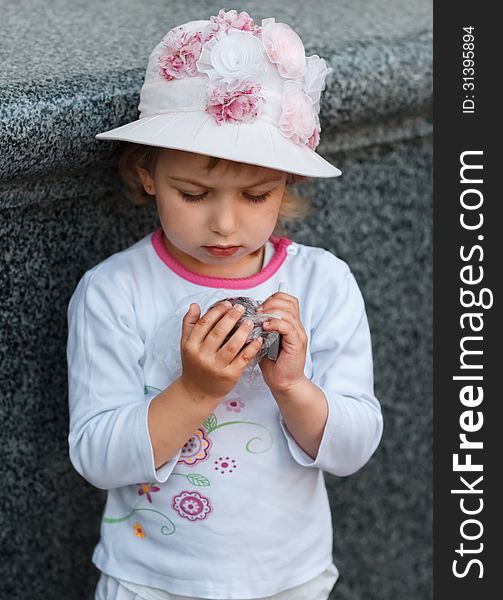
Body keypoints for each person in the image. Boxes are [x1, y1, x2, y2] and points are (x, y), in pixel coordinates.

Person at [67, 8, 383, 600]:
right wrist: (195, 392)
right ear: (149, 172)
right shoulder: (115, 291)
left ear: (288, 183)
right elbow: (96, 456)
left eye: (257, 194)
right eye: (194, 193)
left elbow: (353, 447)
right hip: (152, 581)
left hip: (290, 579)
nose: (225, 222)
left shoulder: (323, 285)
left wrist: (293, 387)